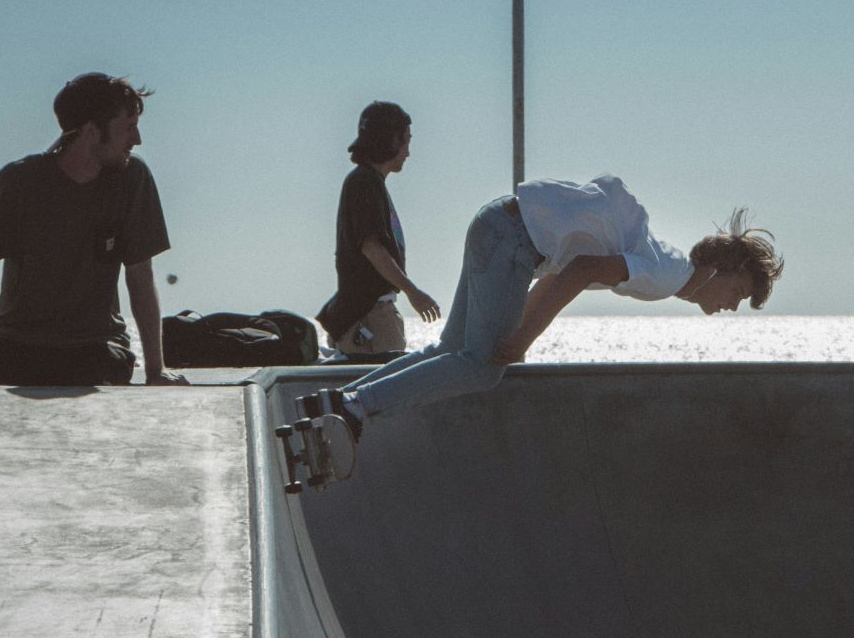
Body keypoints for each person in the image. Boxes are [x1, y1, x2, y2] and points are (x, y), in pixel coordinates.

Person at [304, 174, 783, 437]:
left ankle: (338, 401)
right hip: (512, 238)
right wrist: (523, 337)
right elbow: (580, 271)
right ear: (720, 272)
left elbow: (563, 271)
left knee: (452, 349)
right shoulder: (666, 275)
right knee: (479, 367)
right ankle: (353, 408)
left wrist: (520, 333)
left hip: (498, 222)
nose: (732, 308)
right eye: (738, 295)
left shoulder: (663, 258)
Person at [0, 73, 183, 386]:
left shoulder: (131, 178)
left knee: (89, 380)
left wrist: (155, 372)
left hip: (96, 347)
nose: (137, 140)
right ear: (92, 131)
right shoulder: (17, 182)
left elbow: (140, 276)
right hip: (16, 343)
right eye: (128, 127)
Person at [315, 102, 439, 359]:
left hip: (369, 315)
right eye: (406, 141)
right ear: (392, 140)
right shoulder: (364, 183)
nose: (408, 152)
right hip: (369, 318)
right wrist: (413, 292)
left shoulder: (369, 183)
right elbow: (371, 247)